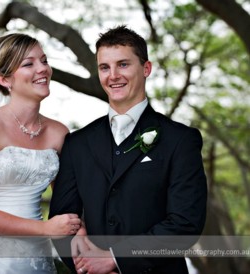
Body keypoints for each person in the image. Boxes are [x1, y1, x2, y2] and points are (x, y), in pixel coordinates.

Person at [49, 25, 207, 274]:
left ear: (146, 69)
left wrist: (116, 259)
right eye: (104, 67)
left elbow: (185, 224)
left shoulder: (181, 140)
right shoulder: (77, 143)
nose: (113, 75)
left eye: (123, 64)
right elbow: (61, 222)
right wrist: (87, 266)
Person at [0, 33, 81, 274]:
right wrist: (46, 229)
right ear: (4, 79)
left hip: (36, 256)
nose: (42, 69)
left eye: (44, 60)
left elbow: (69, 200)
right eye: (29, 64)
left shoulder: (58, 133)